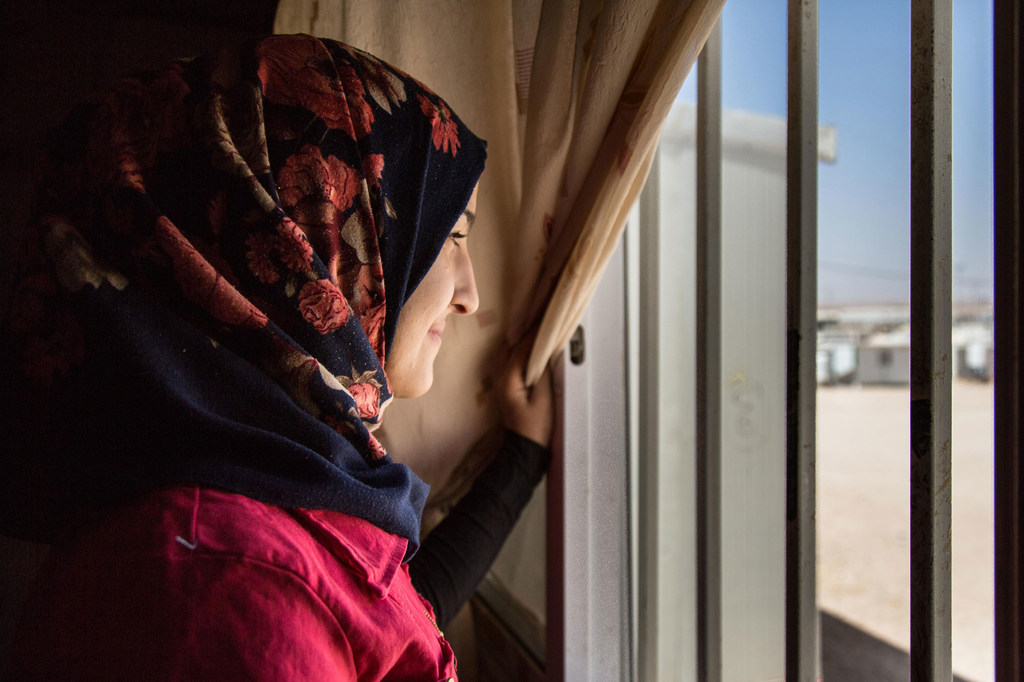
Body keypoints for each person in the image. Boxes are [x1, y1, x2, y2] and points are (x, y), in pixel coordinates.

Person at [1, 34, 552, 680]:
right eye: (451, 237)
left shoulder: (248, 492)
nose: (470, 295)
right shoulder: (226, 583)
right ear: (315, 238)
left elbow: (374, 622)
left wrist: (522, 456)